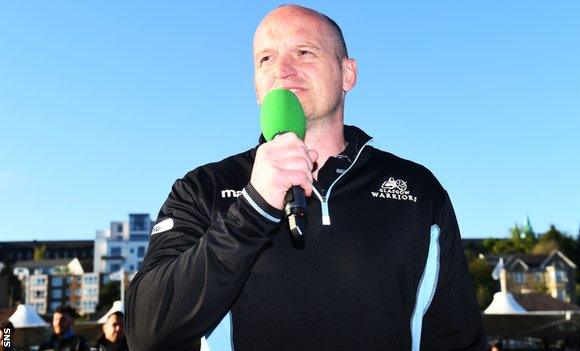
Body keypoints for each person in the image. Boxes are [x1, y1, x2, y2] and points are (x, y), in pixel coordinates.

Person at [126, 5, 484, 350]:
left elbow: (458, 338)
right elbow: (145, 331)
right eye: (265, 58)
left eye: (303, 52)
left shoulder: (419, 190)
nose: (282, 70)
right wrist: (251, 211)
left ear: (348, 74)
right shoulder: (202, 188)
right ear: (255, 86)